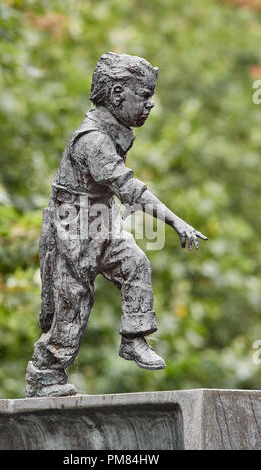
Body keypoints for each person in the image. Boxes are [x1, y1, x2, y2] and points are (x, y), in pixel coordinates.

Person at [26, 52, 207, 397]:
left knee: (136, 264)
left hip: (100, 220)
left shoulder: (114, 130)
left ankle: (133, 338)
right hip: (73, 229)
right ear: (118, 94)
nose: (150, 104)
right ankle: (44, 375)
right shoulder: (92, 141)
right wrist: (176, 222)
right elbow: (131, 191)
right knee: (71, 305)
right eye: (144, 95)